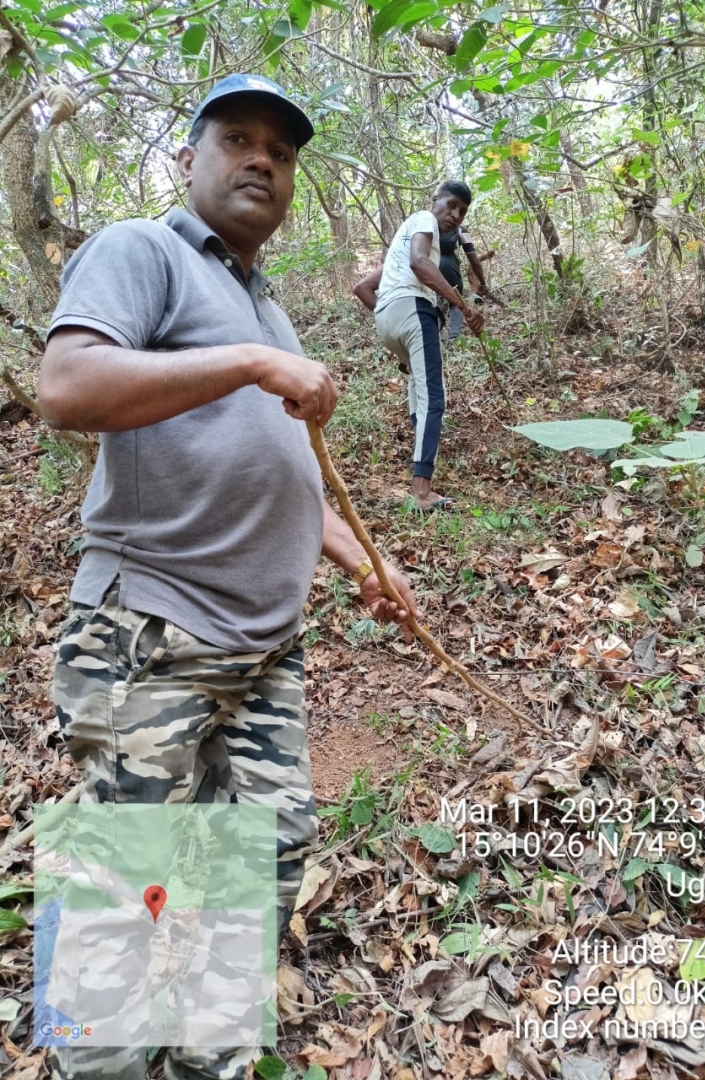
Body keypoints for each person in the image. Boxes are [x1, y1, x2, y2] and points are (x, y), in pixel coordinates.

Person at [37, 73, 417, 1080]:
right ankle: (102, 1067)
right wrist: (252, 362)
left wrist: (358, 559)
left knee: (264, 850)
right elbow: (67, 388)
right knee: (133, 874)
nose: (262, 160)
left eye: (281, 152)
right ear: (187, 160)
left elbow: (279, 466)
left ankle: (212, 1053)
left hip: (263, 641)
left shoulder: (261, 303)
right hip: (152, 628)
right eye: (238, 140)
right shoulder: (142, 251)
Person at [353, 181, 485, 511]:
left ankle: (420, 453)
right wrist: (464, 307)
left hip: (388, 320)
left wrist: (391, 316)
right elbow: (419, 264)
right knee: (434, 395)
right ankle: (422, 490)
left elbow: (363, 287)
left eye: (462, 211)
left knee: (418, 387)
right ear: (435, 200)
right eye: (451, 205)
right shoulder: (424, 220)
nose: (455, 215)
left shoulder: (403, 245)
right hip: (415, 311)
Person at [438, 223, 489, 343]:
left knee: (433, 300)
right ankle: (454, 336)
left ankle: (436, 335)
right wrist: (483, 282)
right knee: (457, 299)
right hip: (450, 267)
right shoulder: (461, 230)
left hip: (429, 266)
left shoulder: (429, 227)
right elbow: (474, 261)